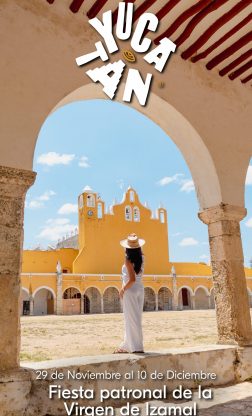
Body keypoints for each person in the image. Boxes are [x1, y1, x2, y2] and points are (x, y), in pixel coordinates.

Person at [114, 233, 145, 354]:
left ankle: (136, 347)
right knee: (136, 318)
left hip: (130, 290)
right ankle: (127, 345)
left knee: (130, 319)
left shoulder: (128, 260)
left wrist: (122, 289)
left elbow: (131, 279)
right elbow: (137, 277)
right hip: (140, 289)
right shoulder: (142, 258)